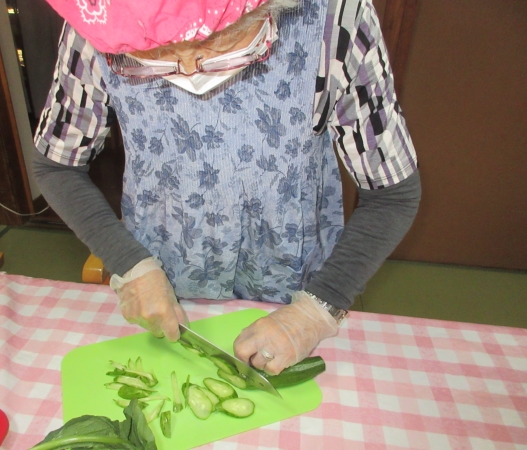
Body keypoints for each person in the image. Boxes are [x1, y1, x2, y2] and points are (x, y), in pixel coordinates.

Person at [33, 0, 421, 376]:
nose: (188, 69)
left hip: (296, 294)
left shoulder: (337, 16)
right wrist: (129, 263)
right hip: (161, 289)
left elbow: (392, 196)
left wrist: (314, 312)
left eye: (214, 44)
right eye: (154, 53)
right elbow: (56, 166)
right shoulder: (97, 13)